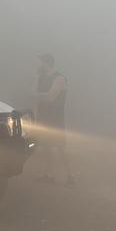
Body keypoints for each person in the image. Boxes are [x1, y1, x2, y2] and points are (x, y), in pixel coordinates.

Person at [32, 54, 75, 185]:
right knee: (45, 146)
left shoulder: (60, 78)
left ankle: (70, 175)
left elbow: (51, 97)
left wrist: (37, 96)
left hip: (55, 117)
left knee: (60, 147)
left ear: (47, 63)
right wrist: (37, 79)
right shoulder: (41, 78)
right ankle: (49, 174)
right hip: (43, 115)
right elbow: (32, 92)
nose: (39, 65)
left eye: (41, 62)